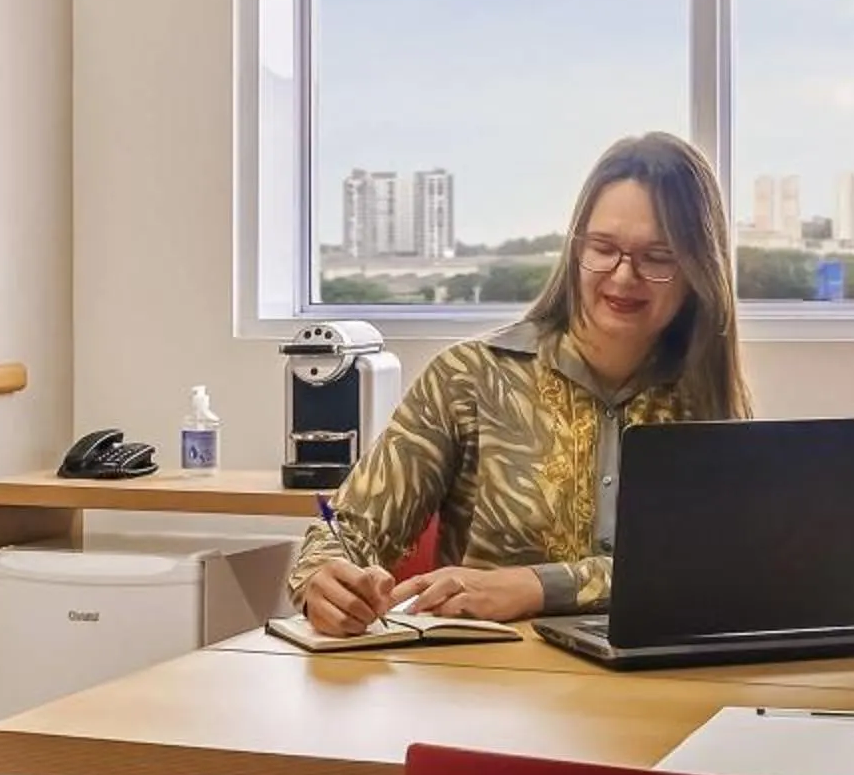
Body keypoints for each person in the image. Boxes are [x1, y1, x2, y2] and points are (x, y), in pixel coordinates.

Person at [290, 131, 752, 634]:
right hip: (490, 671)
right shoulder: (469, 377)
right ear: (574, 249)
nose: (623, 276)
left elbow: (719, 567)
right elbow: (347, 528)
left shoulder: (707, 400)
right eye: (603, 248)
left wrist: (534, 587)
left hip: (661, 673)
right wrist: (324, 577)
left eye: (657, 257)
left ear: (698, 269)